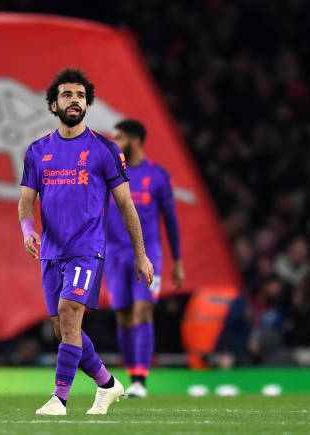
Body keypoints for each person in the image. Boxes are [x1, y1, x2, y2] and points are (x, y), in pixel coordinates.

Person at [18, 68, 154, 415]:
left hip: (87, 249)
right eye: (67, 95)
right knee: (65, 330)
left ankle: (59, 399)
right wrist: (27, 231)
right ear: (53, 105)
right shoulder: (37, 151)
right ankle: (108, 385)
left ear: (87, 104)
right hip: (51, 252)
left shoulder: (104, 150)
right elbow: (25, 201)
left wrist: (142, 255)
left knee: (68, 313)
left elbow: (126, 204)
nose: (74, 100)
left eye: (80, 95)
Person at [105, 119, 184, 398]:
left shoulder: (157, 176)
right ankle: (132, 376)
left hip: (149, 255)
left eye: (120, 138)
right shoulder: (110, 175)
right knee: (124, 317)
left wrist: (177, 261)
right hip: (114, 255)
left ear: (136, 140)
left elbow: (171, 221)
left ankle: (140, 380)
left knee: (143, 310)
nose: (115, 143)